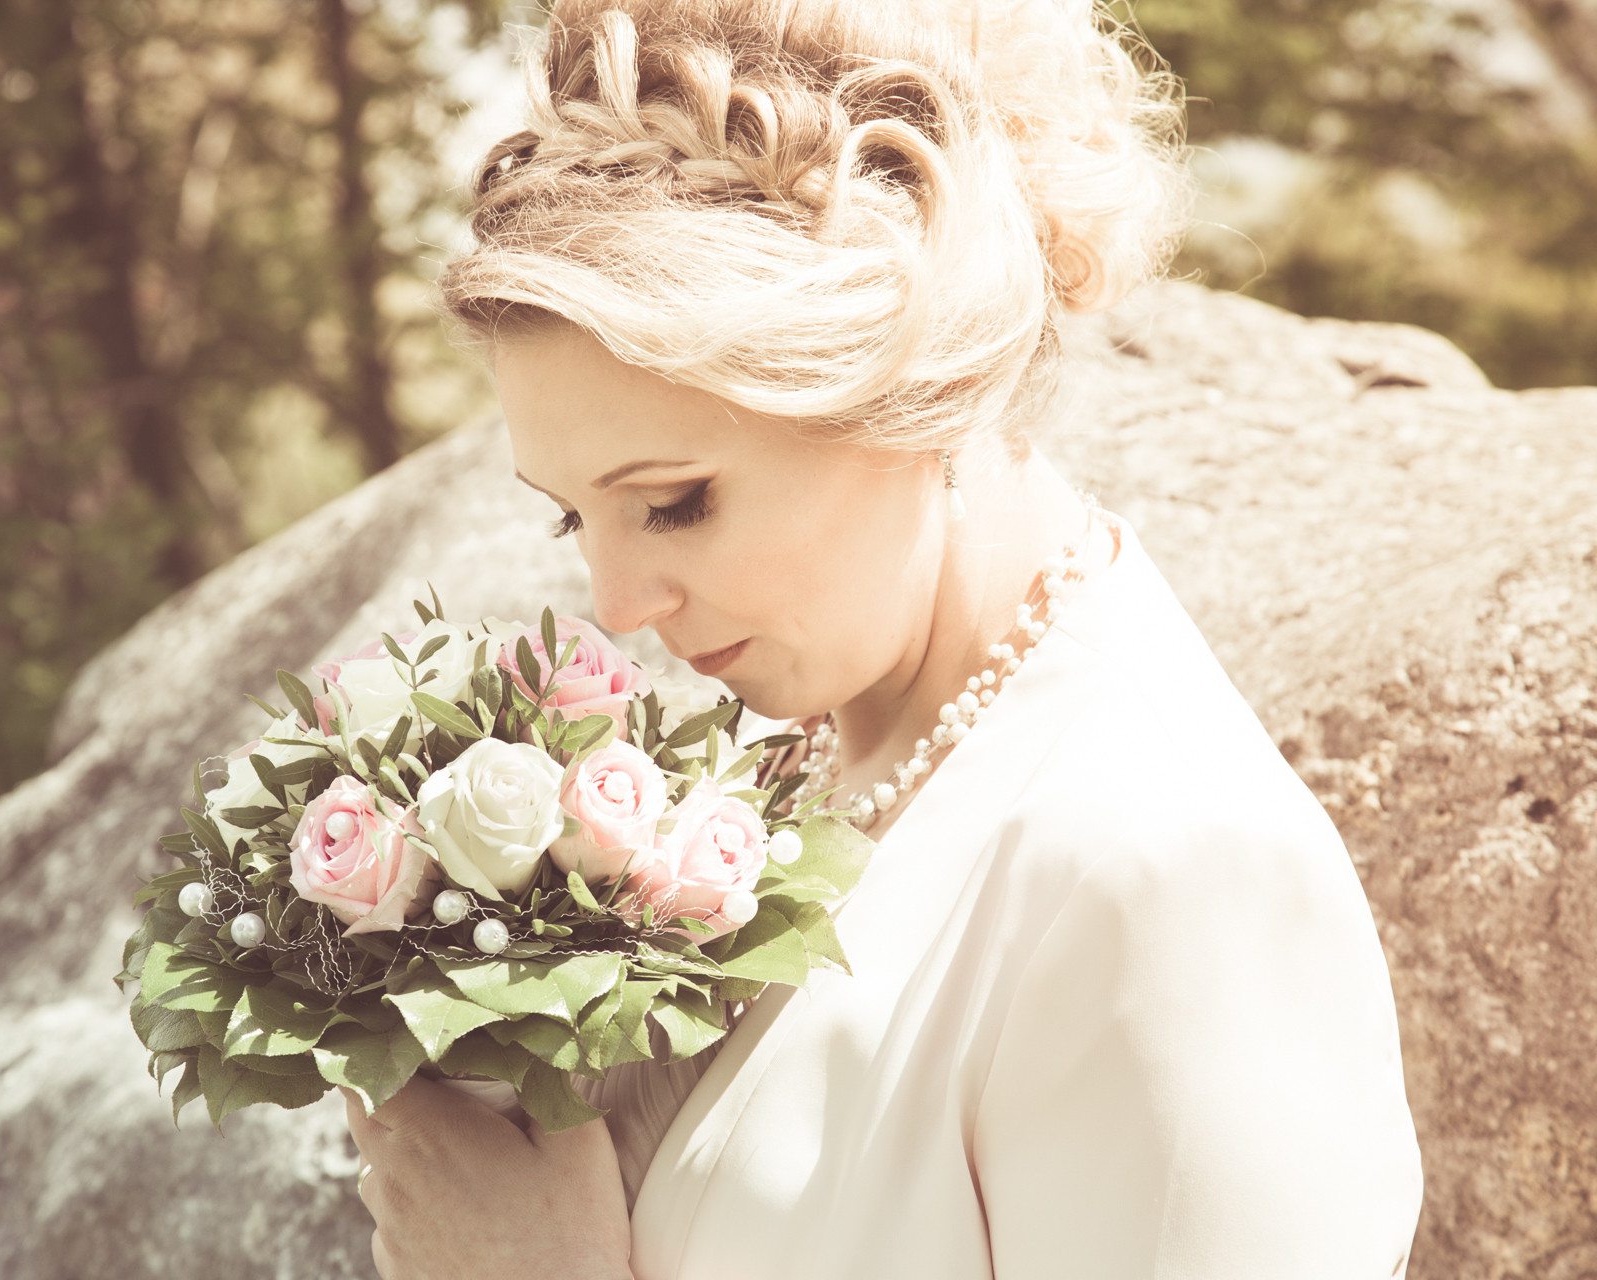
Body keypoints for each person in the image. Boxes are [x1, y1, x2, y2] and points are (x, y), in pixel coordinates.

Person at [342, 1, 1426, 1277]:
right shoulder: (788, 760)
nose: (620, 601)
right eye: (572, 519)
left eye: (675, 500)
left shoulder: (1172, 875)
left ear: (916, 385)